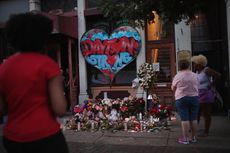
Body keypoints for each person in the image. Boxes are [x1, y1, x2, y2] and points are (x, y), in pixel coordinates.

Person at [0, 13, 69, 153]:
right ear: (42, 37)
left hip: (13, 137)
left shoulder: (4, 68)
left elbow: (1, 109)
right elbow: (60, 109)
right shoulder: (48, 65)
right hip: (46, 136)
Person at [191, 54, 221, 137]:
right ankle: (194, 129)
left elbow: (218, 75)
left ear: (199, 64)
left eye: (194, 63)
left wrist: (211, 84)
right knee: (197, 112)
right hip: (198, 94)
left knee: (206, 113)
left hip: (206, 94)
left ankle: (206, 131)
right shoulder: (197, 71)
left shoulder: (206, 70)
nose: (193, 65)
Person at [171, 59, 199, 144]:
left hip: (181, 98)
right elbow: (198, 85)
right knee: (193, 119)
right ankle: (193, 138)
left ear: (179, 67)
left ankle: (186, 139)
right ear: (188, 66)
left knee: (184, 119)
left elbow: (173, 87)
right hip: (194, 98)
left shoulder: (178, 76)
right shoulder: (195, 75)